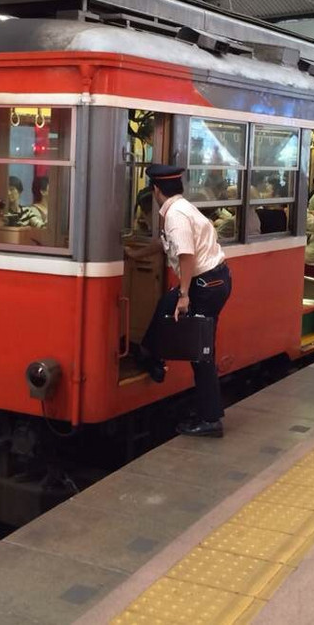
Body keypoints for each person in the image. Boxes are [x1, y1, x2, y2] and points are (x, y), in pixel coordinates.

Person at [130, 163, 233, 438]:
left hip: (205, 284)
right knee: (165, 306)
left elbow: (185, 255)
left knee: (201, 353)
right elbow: (166, 245)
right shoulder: (180, 208)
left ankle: (210, 420)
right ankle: (152, 359)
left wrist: (185, 295)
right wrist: (135, 256)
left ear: (156, 190)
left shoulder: (175, 215)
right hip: (212, 280)